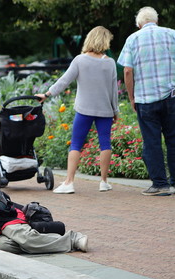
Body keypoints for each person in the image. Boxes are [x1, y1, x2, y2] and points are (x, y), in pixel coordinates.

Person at [36, 26, 119, 194]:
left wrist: (47, 93)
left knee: (76, 143)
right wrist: (115, 111)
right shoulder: (109, 63)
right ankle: (103, 182)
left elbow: (64, 80)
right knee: (105, 143)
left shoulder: (80, 60)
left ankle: (69, 182)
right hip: (105, 110)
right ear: (104, 41)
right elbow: (113, 90)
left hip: (84, 109)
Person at [118, 7, 175, 196]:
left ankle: (160, 184)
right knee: (173, 140)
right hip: (171, 96)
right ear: (156, 20)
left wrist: (132, 97)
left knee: (152, 142)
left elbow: (127, 71)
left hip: (146, 99)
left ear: (139, 24)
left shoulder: (133, 39)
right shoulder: (171, 34)